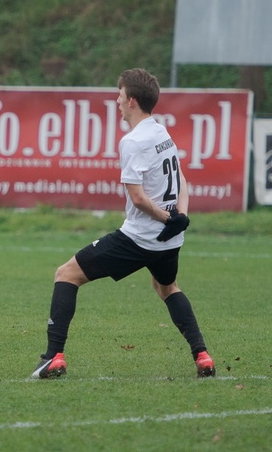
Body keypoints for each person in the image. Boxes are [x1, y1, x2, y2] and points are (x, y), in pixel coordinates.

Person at [30, 68, 215, 380]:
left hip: (139, 239)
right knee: (167, 286)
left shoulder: (133, 141)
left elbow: (139, 198)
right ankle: (203, 356)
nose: (115, 100)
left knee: (65, 275)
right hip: (168, 241)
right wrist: (180, 217)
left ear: (131, 101)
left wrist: (169, 218)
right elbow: (182, 179)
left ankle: (53, 357)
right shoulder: (161, 132)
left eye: (119, 95)